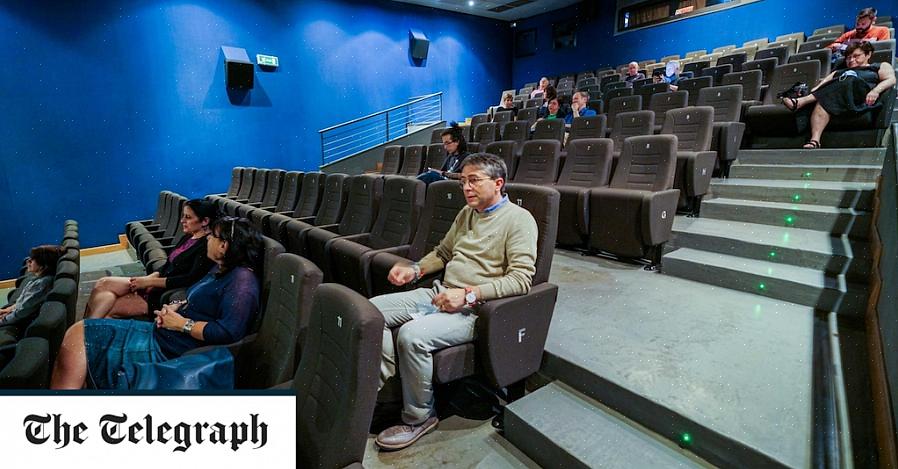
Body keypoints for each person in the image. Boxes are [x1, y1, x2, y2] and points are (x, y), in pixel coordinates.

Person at [372, 154, 538, 451]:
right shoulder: (466, 213)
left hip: (475, 310)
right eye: (463, 181)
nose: (466, 187)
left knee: (412, 336)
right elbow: (443, 253)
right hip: (440, 292)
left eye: (474, 180)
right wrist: (416, 269)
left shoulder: (519, 220)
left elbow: (521, 280)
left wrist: (469, 294)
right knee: (371, 312)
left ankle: (419, 417)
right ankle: (385, 393)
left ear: (498, 183)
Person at [50, 217, 263, 390]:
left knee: (77, 337)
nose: (207, 240)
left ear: (224, 246)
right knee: (78, 334)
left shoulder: (242, 282)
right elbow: (195, 296)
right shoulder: (220, 268)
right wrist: (175, 308)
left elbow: (228, 332)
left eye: (213, 237)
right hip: (163, 333)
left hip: (168, 349)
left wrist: (181, 324)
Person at [84, 199, 218, 319]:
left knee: (108, 308)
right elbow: (168, 264)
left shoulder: (206, 246)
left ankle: (85, 331)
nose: (182, 220)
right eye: (183, 216)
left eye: (188, 217)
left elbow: (189, 279)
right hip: (155, 283)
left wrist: (151, 282)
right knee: (103, 284)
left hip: (162, 294)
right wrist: (149, 279)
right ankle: (85, 328)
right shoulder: (189, 236)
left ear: (205, 221)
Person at [781, 42, 896, 149]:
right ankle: (815, 140)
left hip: (860, 99)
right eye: (848, 57)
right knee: (823, 100)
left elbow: (891, 79)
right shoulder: (838, 72)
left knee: (849, 79)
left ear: (868, 54)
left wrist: (875, 91)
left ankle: (800, 102)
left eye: (856, 56)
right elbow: (819, 88)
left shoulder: (878, 66)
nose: (851, 60)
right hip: (839, 100)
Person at [0, 245, 64, 346]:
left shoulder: (41, 284)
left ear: (44, 265)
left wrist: (3, 320)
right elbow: (23, 303)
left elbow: (22, 312)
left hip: (20, 323)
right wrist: (6, 310)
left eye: (32, 260)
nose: (28, 262)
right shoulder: (38, 280)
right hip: (16, 316)